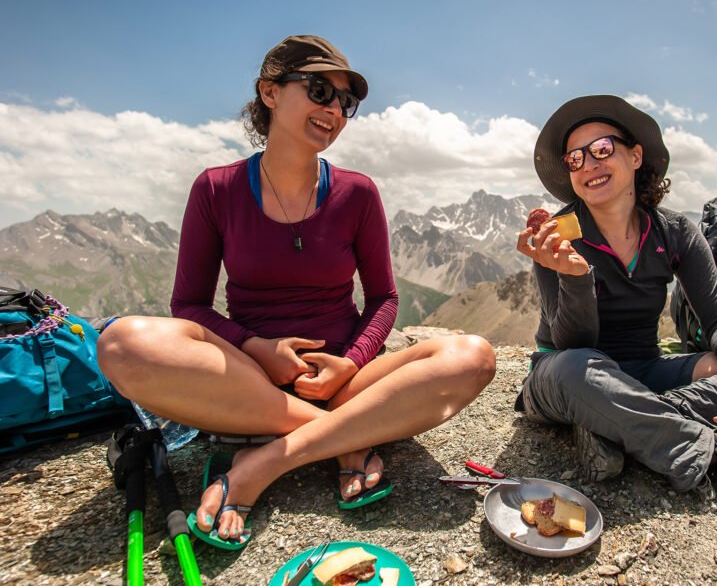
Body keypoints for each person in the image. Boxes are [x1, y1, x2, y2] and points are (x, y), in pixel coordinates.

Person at [97, 35, 495, 547]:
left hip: (345, 381)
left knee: (474, 356)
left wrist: (350, 362)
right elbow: (189, 305)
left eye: (345, 101)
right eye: (318, 90)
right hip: (248, 381)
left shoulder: (358, 192)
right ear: (270, 92)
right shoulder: (216, 189)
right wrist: (256, 348)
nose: (335, 110)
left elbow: (383, 299)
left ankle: (263, 461)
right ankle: (347, 440)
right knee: (121, 343)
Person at [515, 95, 717, 495]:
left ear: (635, 156)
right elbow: (571, 345)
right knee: (577, 367)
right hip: (564, 377)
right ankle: (716, 450)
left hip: (646, 373)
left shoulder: (674, 231)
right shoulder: (557, 236)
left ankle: (618, 430)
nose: (589, 165)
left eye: (601, 149)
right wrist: (575, 278)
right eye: (575, 159)